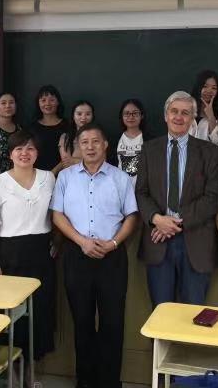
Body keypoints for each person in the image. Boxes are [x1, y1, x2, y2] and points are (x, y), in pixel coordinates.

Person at [52, 123, 138, 388]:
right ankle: (85, 381)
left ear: (105, 145)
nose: (90, 147)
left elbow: (131, 216)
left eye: (95, 141)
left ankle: (110, 382)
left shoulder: (120, 178)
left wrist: (113, 243)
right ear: (78, 147)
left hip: (112, 258)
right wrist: (82, 242)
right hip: (77, 255)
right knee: (82, 322)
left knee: (113, 323)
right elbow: (57, 215)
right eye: (84, 142)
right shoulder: (66, 177)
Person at [136, 91, 218, 307]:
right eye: (174, 111)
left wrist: (173, 222)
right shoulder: (148, 150)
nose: (178, 117)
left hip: (196, 242)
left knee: (193, 314)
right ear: (165, 115)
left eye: (185, 113)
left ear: (193, 118)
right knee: (161, 312)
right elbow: (141, 192)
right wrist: (157, 219)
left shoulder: (210, 152)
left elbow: (212, 198)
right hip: (158, 241)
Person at [0, 129, 56, 360]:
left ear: (37, 153)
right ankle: (13, 372)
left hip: (41, 255)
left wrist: (57, 242)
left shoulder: (48, 178)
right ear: (10, 154)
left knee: (40, 313)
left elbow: (56, 215)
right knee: (13, 316)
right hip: (10, 256)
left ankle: (34, 370)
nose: (25, 153)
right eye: (19, 148)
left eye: (30, 148)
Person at [29, 85, 69, 173]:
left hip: (63, 174)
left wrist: (52, 173)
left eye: (52, 100)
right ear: (38, 103)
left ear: (58, 102)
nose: (47, 103)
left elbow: (69, 155)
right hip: (37, 175)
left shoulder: (67, 125)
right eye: (43, 100)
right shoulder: (32, 127)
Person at [189, 70, 218, 146]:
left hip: (207, 153)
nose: (209, 91)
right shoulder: (188, 106)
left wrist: (211, 116)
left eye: (214, 88)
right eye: (205, 86)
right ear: (198, 87)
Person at [58, 100, 95, 173]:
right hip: (72, 176)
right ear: (73, 116)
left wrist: (74, 160)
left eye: (88, 114)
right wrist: (89, 161)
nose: (83, 117)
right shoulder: (65, 138)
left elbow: (101, 162)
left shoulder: (99, 136)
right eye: (79, 114)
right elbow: (67, 163)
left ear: (92, 116)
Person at [114, 98, 146, 183]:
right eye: (126, 113)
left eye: (135, 113)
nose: (131, 117)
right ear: (121, 116)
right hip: (120, 187)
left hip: (143, 188)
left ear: (142, 115)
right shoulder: (114, 140)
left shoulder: (150, 140)